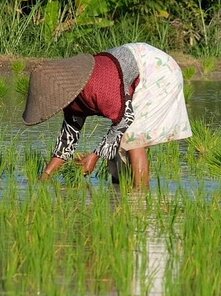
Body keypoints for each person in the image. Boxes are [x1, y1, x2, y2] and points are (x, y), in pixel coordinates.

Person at [22, 42, 192, 187]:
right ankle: (119, 194)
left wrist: (95, 156)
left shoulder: (98, 88)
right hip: (134, 64)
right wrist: (44, 178)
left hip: (157, 70)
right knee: (117, 144)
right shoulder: (71, 99)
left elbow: (125, 118)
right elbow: (67, 142)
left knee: (133, 137)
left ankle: (141, 198)